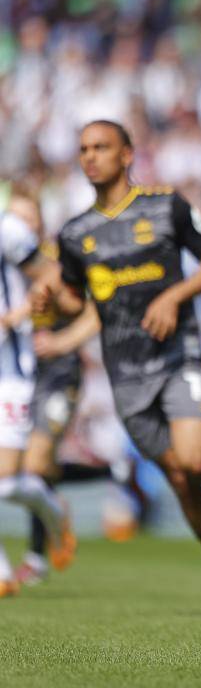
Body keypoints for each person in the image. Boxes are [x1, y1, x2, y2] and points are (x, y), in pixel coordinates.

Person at [31, 120, 201, 614]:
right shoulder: (75, 233)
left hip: (177, 357)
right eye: (84, 149)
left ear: (127, 155)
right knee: (181, 479)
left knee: (196, 460)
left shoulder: (166, 206)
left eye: (101, 147)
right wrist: (51, 303)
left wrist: (173, 296)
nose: (90, 156)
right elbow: (83, 303)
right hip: (126, 377)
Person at [0, 188, 75, 598]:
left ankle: (52, 509)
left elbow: (53, 279)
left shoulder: (9, 232)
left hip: (12, 374)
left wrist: (20, 313)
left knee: (9, 481)